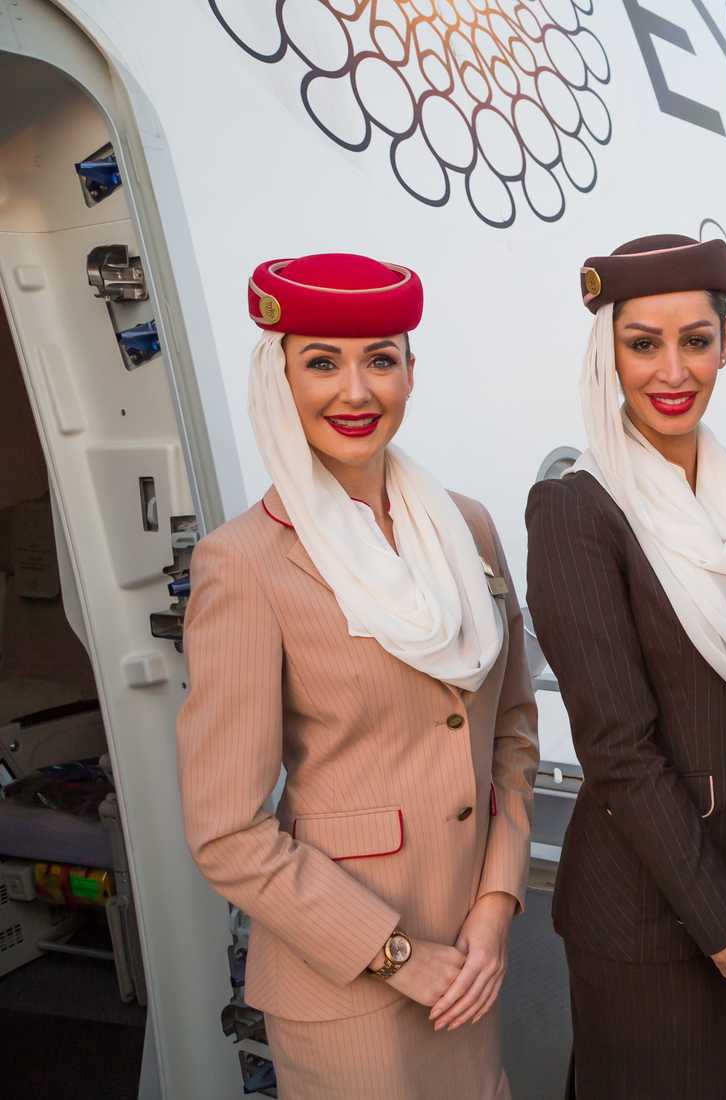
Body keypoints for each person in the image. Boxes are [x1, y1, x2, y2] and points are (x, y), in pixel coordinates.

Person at [176, 252, 539, 1099]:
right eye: (321, 363)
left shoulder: (467, 528)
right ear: (279, 378)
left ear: (410, 371)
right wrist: (397, 955)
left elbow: (511, 730)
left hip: (471, 962)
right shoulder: (245, 563)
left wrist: (496, 906)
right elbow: (227, 833)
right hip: (346, 983)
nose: (355, 391)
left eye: (379, 359)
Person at [525, 234, 726, 1099]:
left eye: (695, 341)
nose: (672, 371)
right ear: (609, 356)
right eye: (642, 343)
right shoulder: (578, 512)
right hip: (654, 921)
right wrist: (725, 927)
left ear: (725, 345)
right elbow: (617, 747)